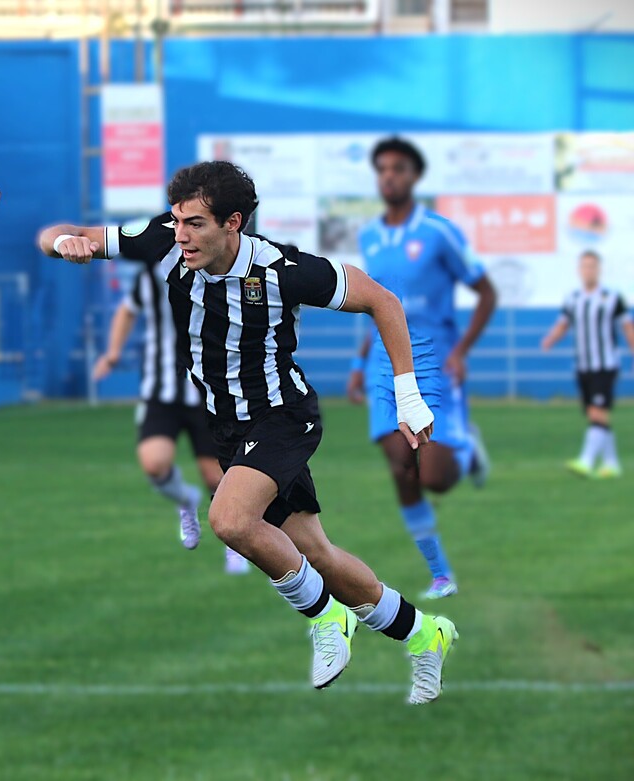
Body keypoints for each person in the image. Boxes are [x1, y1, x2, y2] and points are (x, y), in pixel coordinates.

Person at [39, 161, 456, 704]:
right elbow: (56, 235)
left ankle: (326, 617)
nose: (180, 235)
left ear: (233, 223)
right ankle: (426, 633)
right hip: (228, 427)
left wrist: (408, 394)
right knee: (319, 557)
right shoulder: (161, 240)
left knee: (230, 520)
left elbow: (383, 300)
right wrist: (65, 243)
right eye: (176, 221)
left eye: (195, 224)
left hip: (285, 417)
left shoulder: (282, 268)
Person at [345, 137, 497, 600]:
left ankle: (467, 448)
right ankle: (440, 574)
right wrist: (358, 362)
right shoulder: (369, 237)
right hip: (382, 366)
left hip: (433, 360)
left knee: (435, 476)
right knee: (401, 467)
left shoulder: (439, 232)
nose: (389, 176)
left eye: (399, 168)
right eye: (383, 169)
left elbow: (486, 292)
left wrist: (462, 351)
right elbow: (376, 307)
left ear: (414, 176)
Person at [93, 266, 248, 574]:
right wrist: (112, 353)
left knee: (215, 478)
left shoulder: (227, 275)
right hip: (161, 391)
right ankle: (186, 500)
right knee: (154, 463)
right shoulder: (154, 276)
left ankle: (235, 544)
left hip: (209, 394)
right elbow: (127, 310)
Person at [541, 250, 634, 478]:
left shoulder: (612, 297)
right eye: (585, 266)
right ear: (579, 270)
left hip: (606, 364)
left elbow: (627, 326)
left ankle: (586, 460)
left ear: (599, 269)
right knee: (597, 414)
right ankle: (612, 463)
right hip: (583, 365)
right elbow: (563, 323)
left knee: (597, 411)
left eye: (592, 266)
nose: (588, 270)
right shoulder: (574, 299)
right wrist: (551, 339)